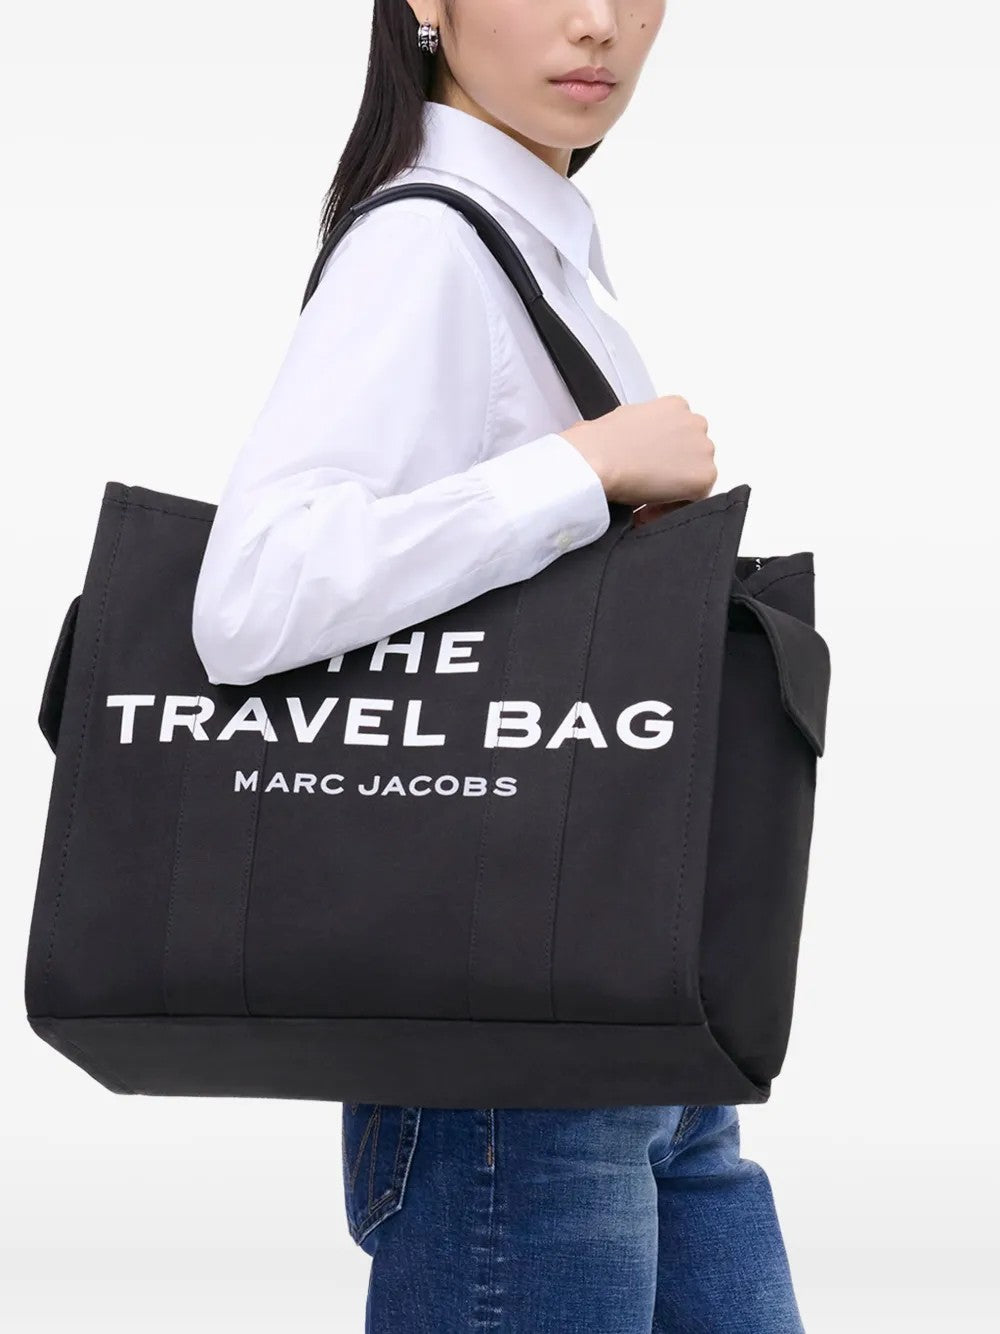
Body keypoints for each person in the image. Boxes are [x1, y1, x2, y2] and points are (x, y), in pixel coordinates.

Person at [191, 2, 805, 1330]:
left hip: (641, 1022)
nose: (599, 24)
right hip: (507, 1067)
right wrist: (580, 468)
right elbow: (254, 594)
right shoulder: (424, 244)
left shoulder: (543, 251)